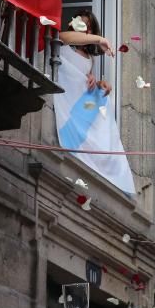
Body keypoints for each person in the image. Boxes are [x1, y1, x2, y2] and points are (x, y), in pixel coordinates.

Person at [53, 11, 135, 195]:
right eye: (80, 24)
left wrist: (98, 83)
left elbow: (82, 80)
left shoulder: (89, 59)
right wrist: (100, 39)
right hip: (65, 101)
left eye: (87, 26)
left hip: (75, 104)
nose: (84, 28)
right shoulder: (64, 41)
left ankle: (106, 160)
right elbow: (62, 37)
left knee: (104, 100)